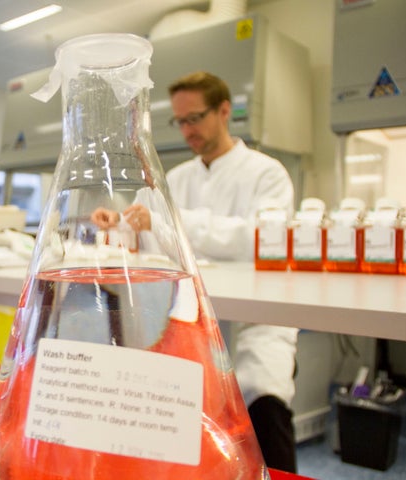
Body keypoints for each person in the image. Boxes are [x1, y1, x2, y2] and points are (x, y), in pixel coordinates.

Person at [91, 71, 299, 473]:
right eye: (179, 121)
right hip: (193, 320)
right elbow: (154, 240)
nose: (187, 130)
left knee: (265, 414)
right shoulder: (178, 178)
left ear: (224, 111)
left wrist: (169, 220)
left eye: (196, 118)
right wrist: (120, 222)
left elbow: (258, 239)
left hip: (257, 324)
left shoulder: (266, 172)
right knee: (191, 433)